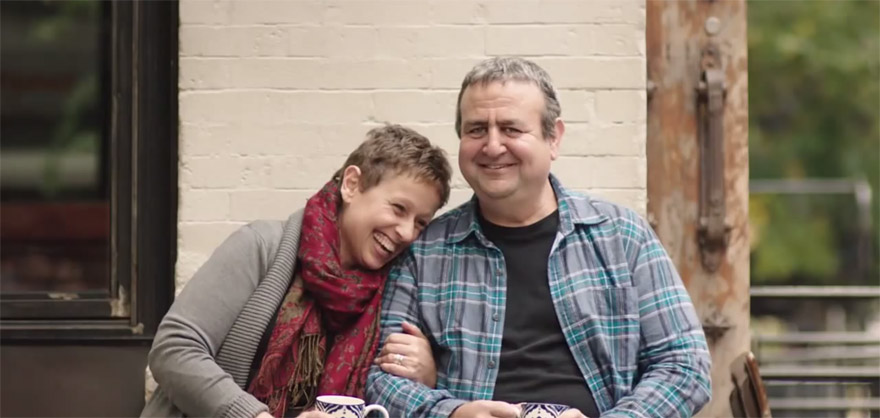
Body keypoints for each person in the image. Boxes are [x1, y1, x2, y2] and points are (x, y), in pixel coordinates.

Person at [368, 57, 712, 418]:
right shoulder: (425, 252)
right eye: (476, 130)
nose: (492, 146)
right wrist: (452, 414)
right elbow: (380, 379)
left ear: (553, 138)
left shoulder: (622, 236)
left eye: (511, 129)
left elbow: (685, 366)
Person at [142, 125, 451, 418]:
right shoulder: (261, 246)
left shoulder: (395, 290)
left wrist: (426, 375)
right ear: (352, 185)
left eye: (420, 223)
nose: (407, 233)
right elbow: (174, 349)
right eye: (398, 209)